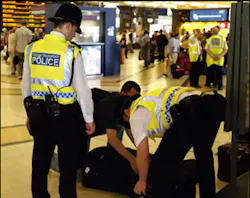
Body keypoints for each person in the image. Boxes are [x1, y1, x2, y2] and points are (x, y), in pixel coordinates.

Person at [22, 4, 95, 198]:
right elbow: (82, 89)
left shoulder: (33, 48)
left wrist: (30, 114)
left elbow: (26, 87)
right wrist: (89, 118)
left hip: (39, 114)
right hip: (65, 117)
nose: (74, 35)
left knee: (40, 162)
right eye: (75, 30)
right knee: (67, 166)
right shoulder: (71, 52)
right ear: (70, 25)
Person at [119, 86, 226, 198]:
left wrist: (142, 181)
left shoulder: (135, 114)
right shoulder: (151, 97)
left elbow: (143, 153)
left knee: (159, 170)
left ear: (126, 112)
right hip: (212, 107)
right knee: (204, 157)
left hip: (189, 111)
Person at [93, 81, 141, 174]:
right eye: (130, 97)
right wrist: (132, 160)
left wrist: (142, 152)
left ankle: (112, 155)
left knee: (120, 124)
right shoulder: (110, 106)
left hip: (101, 121)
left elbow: (129, 129)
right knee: (78, 162)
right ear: (123, 94)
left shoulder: (123, 105)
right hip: (83, 122)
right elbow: (112, 139)